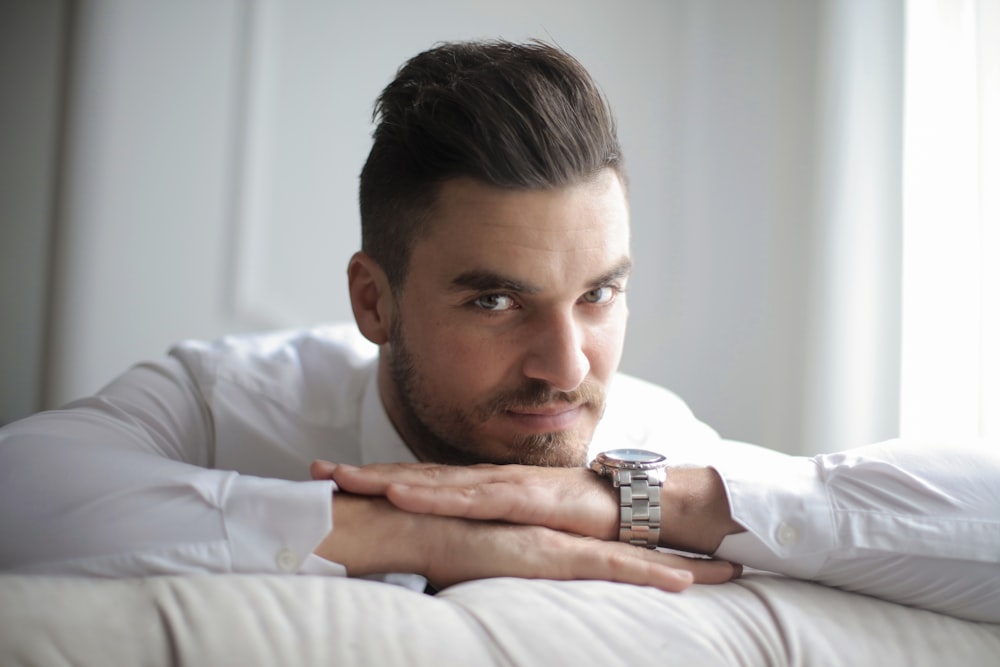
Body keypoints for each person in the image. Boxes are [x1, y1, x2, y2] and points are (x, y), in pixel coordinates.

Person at [1, 40, 997, 622]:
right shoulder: (229, 402)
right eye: (494, 301)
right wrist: (411, 532)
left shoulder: (646, 450)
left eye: (598, 295)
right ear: (373, 301)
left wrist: (632, 509)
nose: (568, 368)